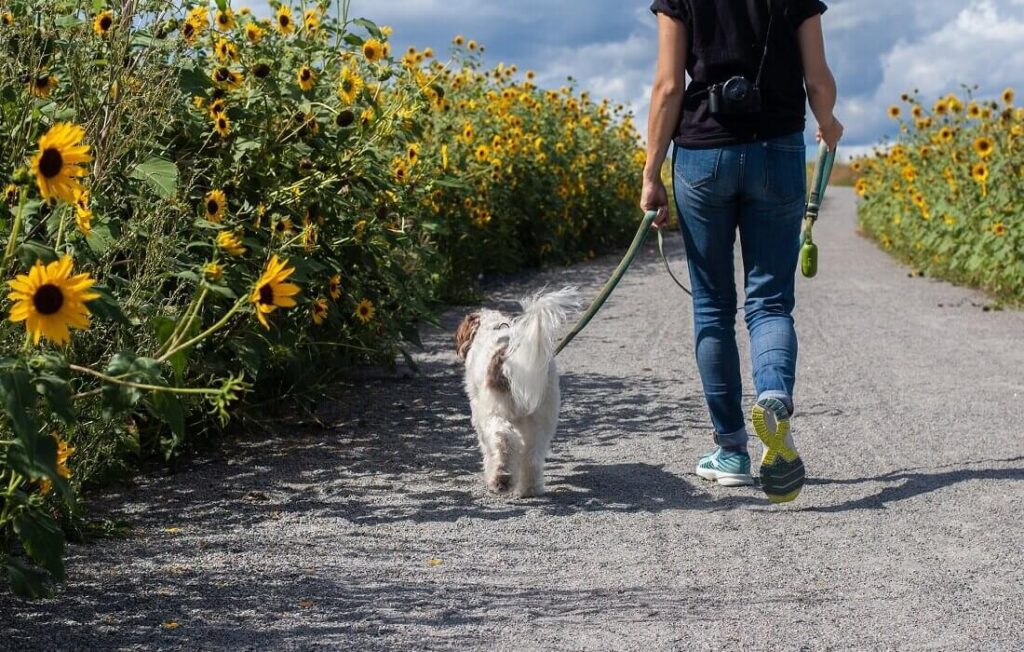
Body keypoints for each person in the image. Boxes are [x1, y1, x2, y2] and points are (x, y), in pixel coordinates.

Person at [641, 0, 843, 503]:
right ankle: (773, 395)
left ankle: (731, 452)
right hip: (777, 148)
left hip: (703, 152)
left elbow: (668, 86)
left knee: (712, 306)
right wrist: (828, 121)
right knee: (770, 301)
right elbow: (817, 78)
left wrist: (651, 172)